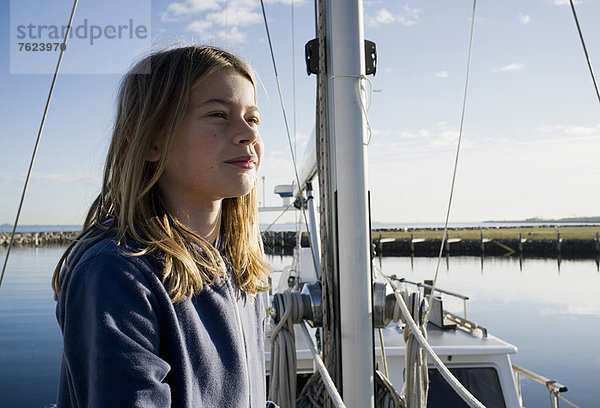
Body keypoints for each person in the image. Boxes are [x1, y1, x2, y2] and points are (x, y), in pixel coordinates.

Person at [52, 45, 277, 407]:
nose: (247, 134)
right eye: (219, 114)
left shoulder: (238, 264)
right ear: (151, 140)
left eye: (252, 118)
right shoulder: (116, 274)